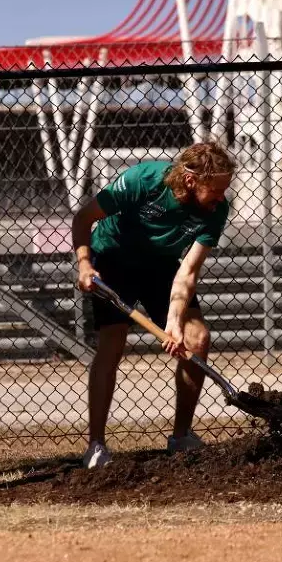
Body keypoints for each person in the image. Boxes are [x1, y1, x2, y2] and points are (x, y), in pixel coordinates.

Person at [71, 142, 235, 469]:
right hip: (113, 258)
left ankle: (181, 436)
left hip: (162, 265)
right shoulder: (143, 180)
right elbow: (83, 218)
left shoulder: (216, 210)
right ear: (192, 181)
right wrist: (85, 264)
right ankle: (97, 445)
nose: (222, 197)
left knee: (196, 338)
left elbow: (188, 272)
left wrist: (173, 323)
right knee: (112, 342)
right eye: (215, 189)